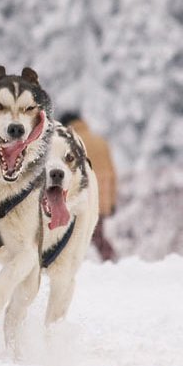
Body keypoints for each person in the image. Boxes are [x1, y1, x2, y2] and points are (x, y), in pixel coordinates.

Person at [59, 110, 118, 262]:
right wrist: (112, 202)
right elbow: (112, 173)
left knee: (79, 235)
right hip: (102, 197)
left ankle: (111, 260)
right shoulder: (100, 141)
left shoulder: (70, 143)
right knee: (95, 234)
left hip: (83, 196)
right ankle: (110, 260)